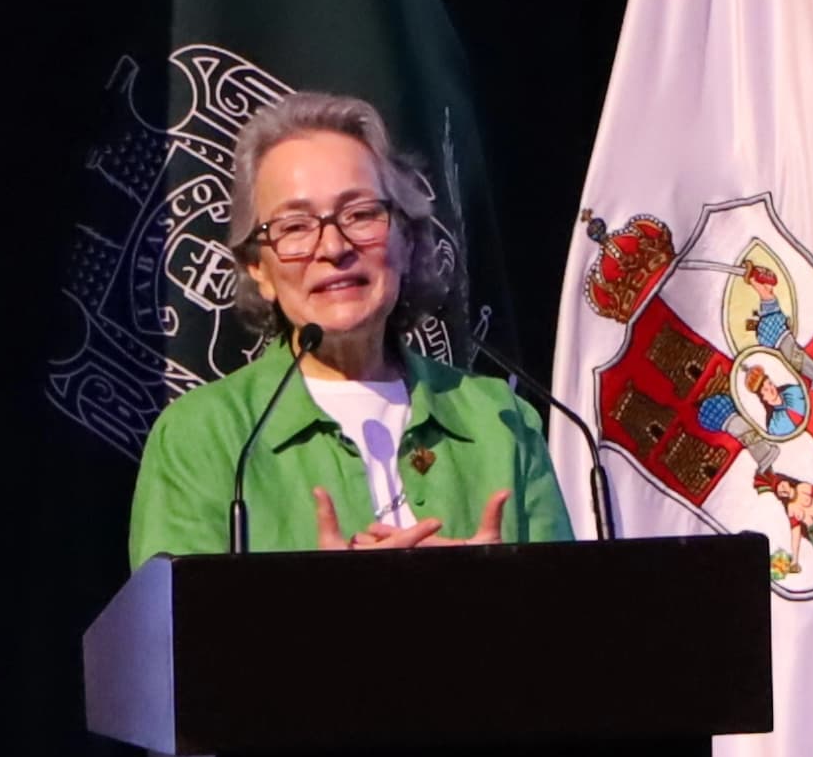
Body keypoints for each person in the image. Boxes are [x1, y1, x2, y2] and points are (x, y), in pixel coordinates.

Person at [127, 91, 574, 565]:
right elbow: (173, 633)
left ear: (406, 239)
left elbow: (574, 624)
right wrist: (326, 606)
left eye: (360, 214)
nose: (333, 247)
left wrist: (500, 594)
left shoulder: (500, 421)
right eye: (295, 227)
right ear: (258, 269)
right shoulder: (205, 435)